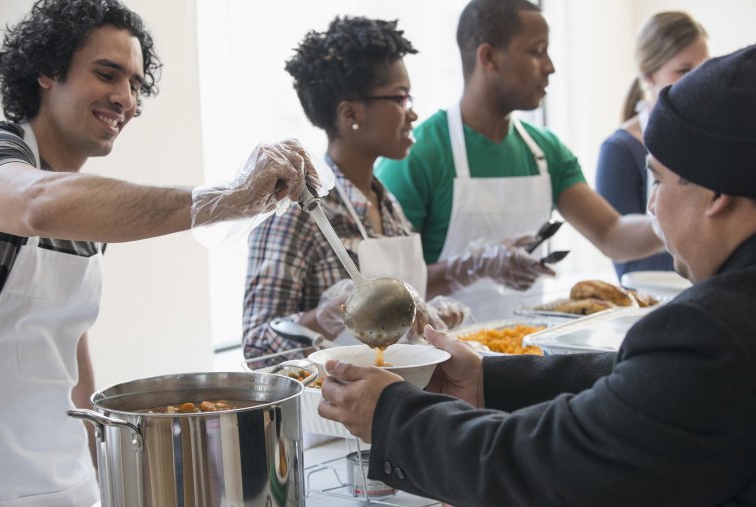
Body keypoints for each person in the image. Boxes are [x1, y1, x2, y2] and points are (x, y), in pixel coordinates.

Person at [318, 45, 756, 506]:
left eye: (659, 180)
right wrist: (492, 379)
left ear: (717, 195)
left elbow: (548, 467)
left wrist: (394, 416)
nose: (651, 205)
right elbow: (645, 389)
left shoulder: (712, 330)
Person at [0, 1, 317, 505]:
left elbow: (70, 346)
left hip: (69, 484)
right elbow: (33, 205)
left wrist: (104, 475)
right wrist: (225, 199)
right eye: (107, 74)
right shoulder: (8, 160)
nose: (125, 98)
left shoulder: (83, 204)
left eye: (136, 84)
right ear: (46, 71)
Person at [242, 16, 550, 364]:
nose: (413, 113)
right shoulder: (297, 210)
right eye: (400, 98)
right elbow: (256, 349)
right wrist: (328, 315)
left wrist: (429, 313)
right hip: (329, 411)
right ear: (350, 113)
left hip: (398, 403)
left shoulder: (386, 204)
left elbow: (396, 305)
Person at [375, 0, 664, 321]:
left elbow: (612, 234)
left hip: (523, 352)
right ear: (488, 57)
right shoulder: (419, 154)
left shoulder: (545, 150)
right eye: (537, 51)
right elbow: (384, 290)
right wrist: (471, 268)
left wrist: (672, 220)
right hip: (439, 359)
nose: (550, 66)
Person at [596, 11, 709, 279]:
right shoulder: (620, 150)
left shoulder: (713, 141)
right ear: (648, 75)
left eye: (705, 69)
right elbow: (625, 261)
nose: (697, 81)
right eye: (684, 70)